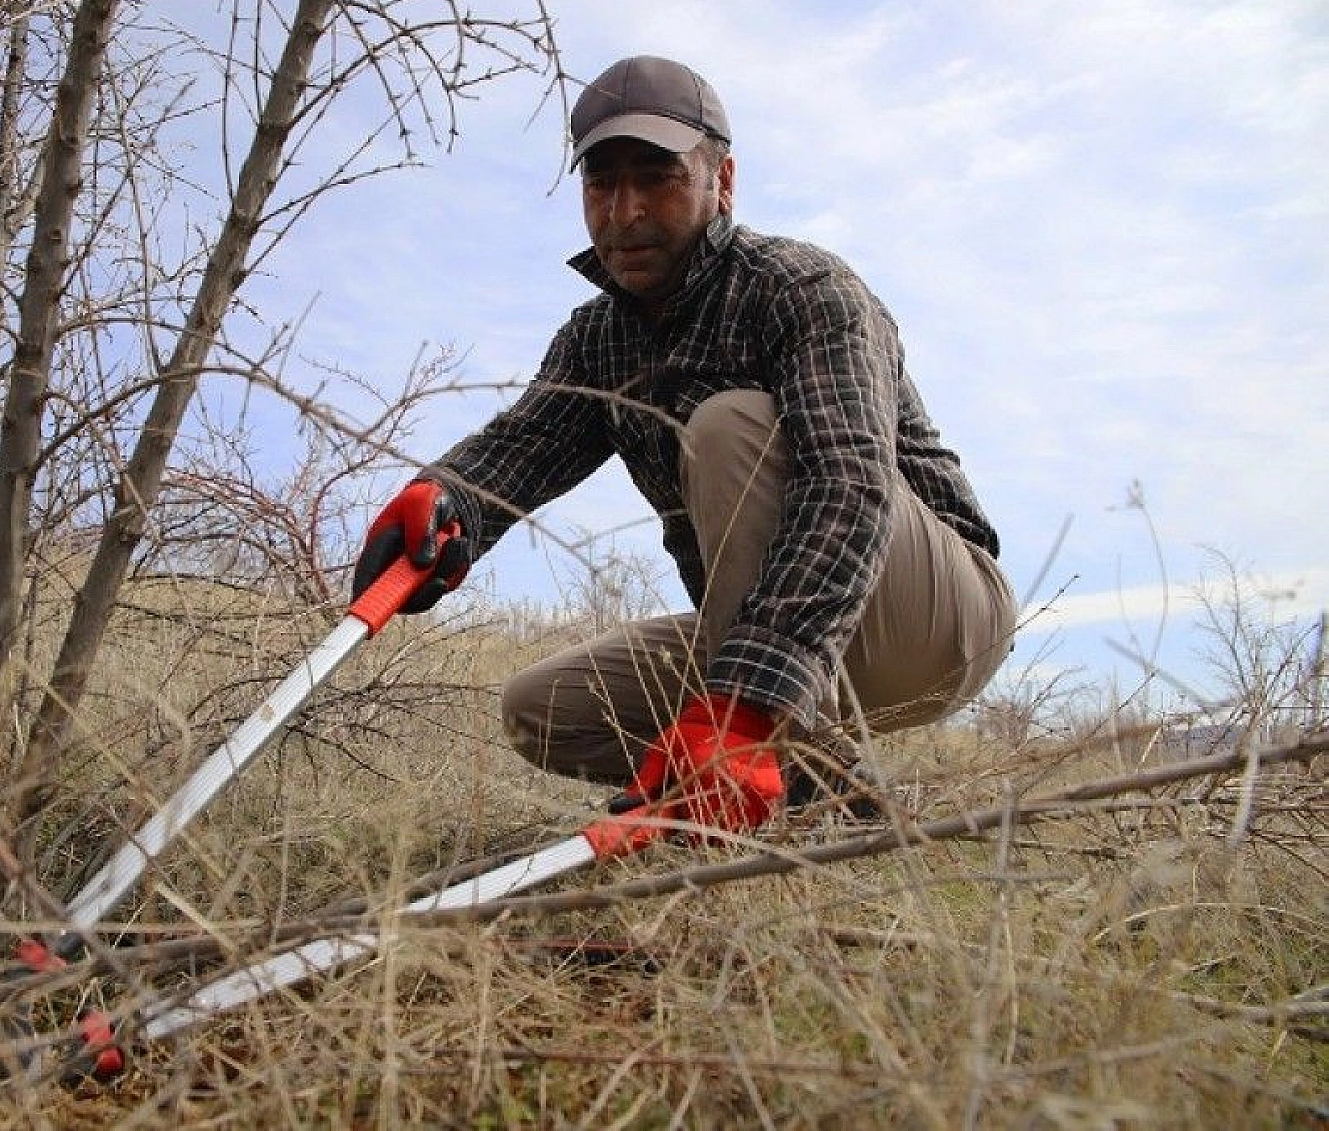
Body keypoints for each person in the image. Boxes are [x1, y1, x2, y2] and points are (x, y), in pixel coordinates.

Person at [352, 55, 1015, 836]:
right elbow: (520, 451)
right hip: (782, 637)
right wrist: (444, 500)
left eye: (657, 177)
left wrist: (747, 710)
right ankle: (818, 788)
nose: (625, 211)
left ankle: (769, 749)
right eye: (601, 183)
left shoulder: (804, 291)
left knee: (727, 425)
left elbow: (849, 489)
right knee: (542, 712)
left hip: (930, 620)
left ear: (721, 180)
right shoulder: (595, 339)